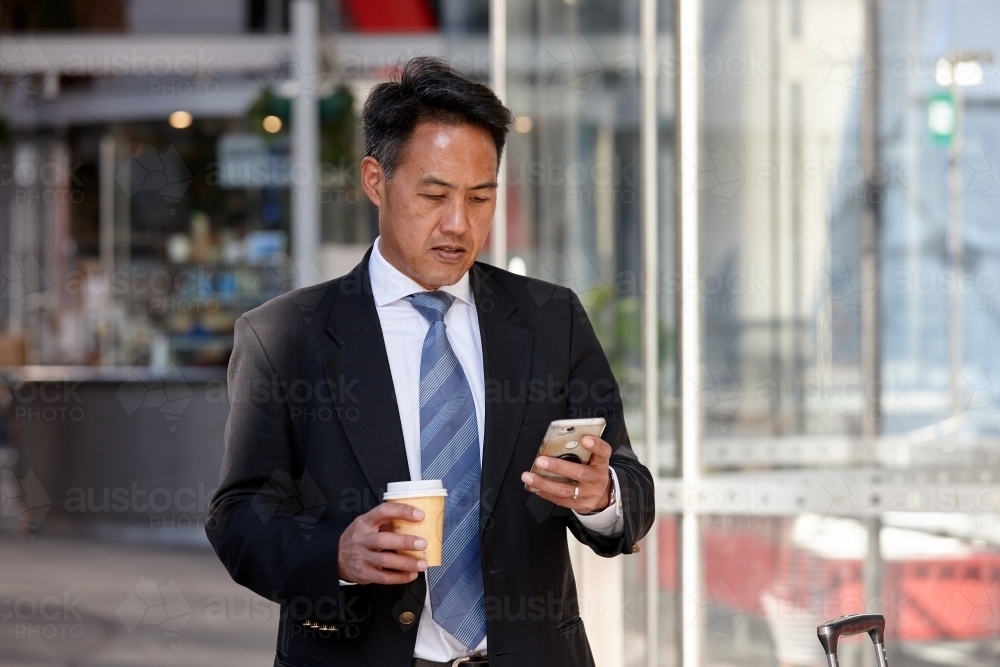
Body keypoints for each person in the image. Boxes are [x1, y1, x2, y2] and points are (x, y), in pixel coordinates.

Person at [207, 56, 654, 667]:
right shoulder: (285, 338)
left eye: (480, 198)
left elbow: (630, 482)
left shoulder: (551, 318)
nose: (458, 224)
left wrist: (603, 496)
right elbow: (239, 517)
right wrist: (333, 553)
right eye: (435, 194)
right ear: (375, 180)